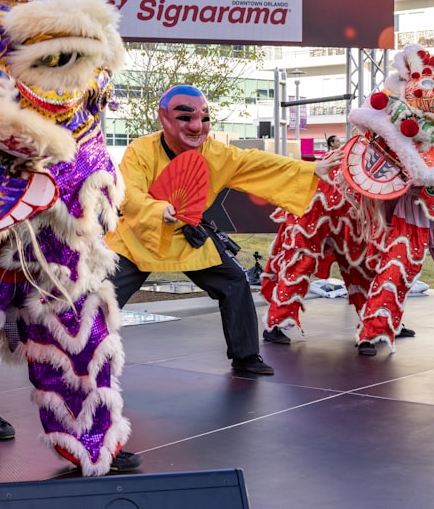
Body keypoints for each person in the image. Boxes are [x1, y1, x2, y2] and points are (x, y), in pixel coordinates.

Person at [106, 85, 334, 375]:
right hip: (138, 236)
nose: (196, 126)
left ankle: (246, 356)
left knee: (235, 281)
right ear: (164, 118)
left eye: (204, 118)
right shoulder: (141, 150)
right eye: (185, 118)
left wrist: (309, 170)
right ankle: (82, 356)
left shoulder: (217, 153)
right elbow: (130, 192)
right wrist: (156, 210)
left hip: (187, 236)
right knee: (101, 296)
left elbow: (257, 163)